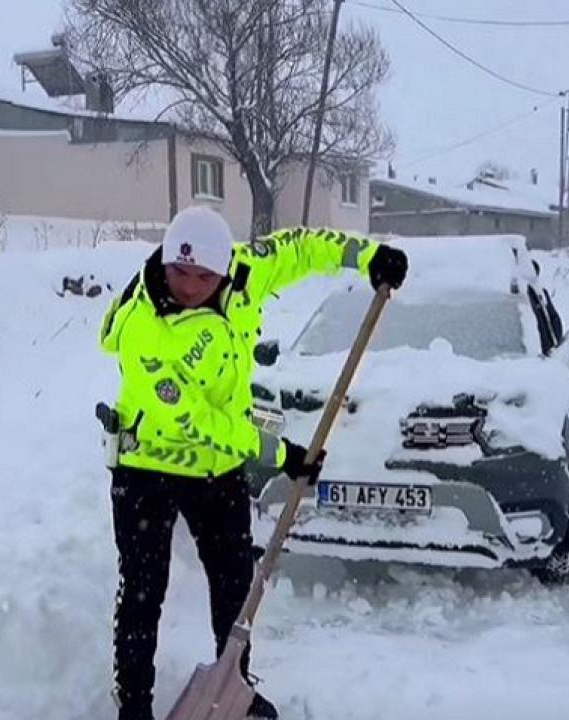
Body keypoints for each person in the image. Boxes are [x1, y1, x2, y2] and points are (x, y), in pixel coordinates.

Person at [98, 206, 407, 720]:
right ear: (165, 262)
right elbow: (193, 421)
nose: (190, 286)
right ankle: (134, 705)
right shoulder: (143, 327)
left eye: (203, 276)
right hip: (147, 466)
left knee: (235, 582)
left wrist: (368, 256)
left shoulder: (245, 269)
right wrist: (282, 454)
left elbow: (303, 247)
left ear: (225, 268)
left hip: (215, 471)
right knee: (143, 589)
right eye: (180, 272)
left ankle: (230, 688)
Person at [527, 259, 563, 354]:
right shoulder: (515, 296)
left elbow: (554, 318)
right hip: (533, 354)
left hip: (545, 353)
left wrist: (556, 345)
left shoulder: (541, 294)